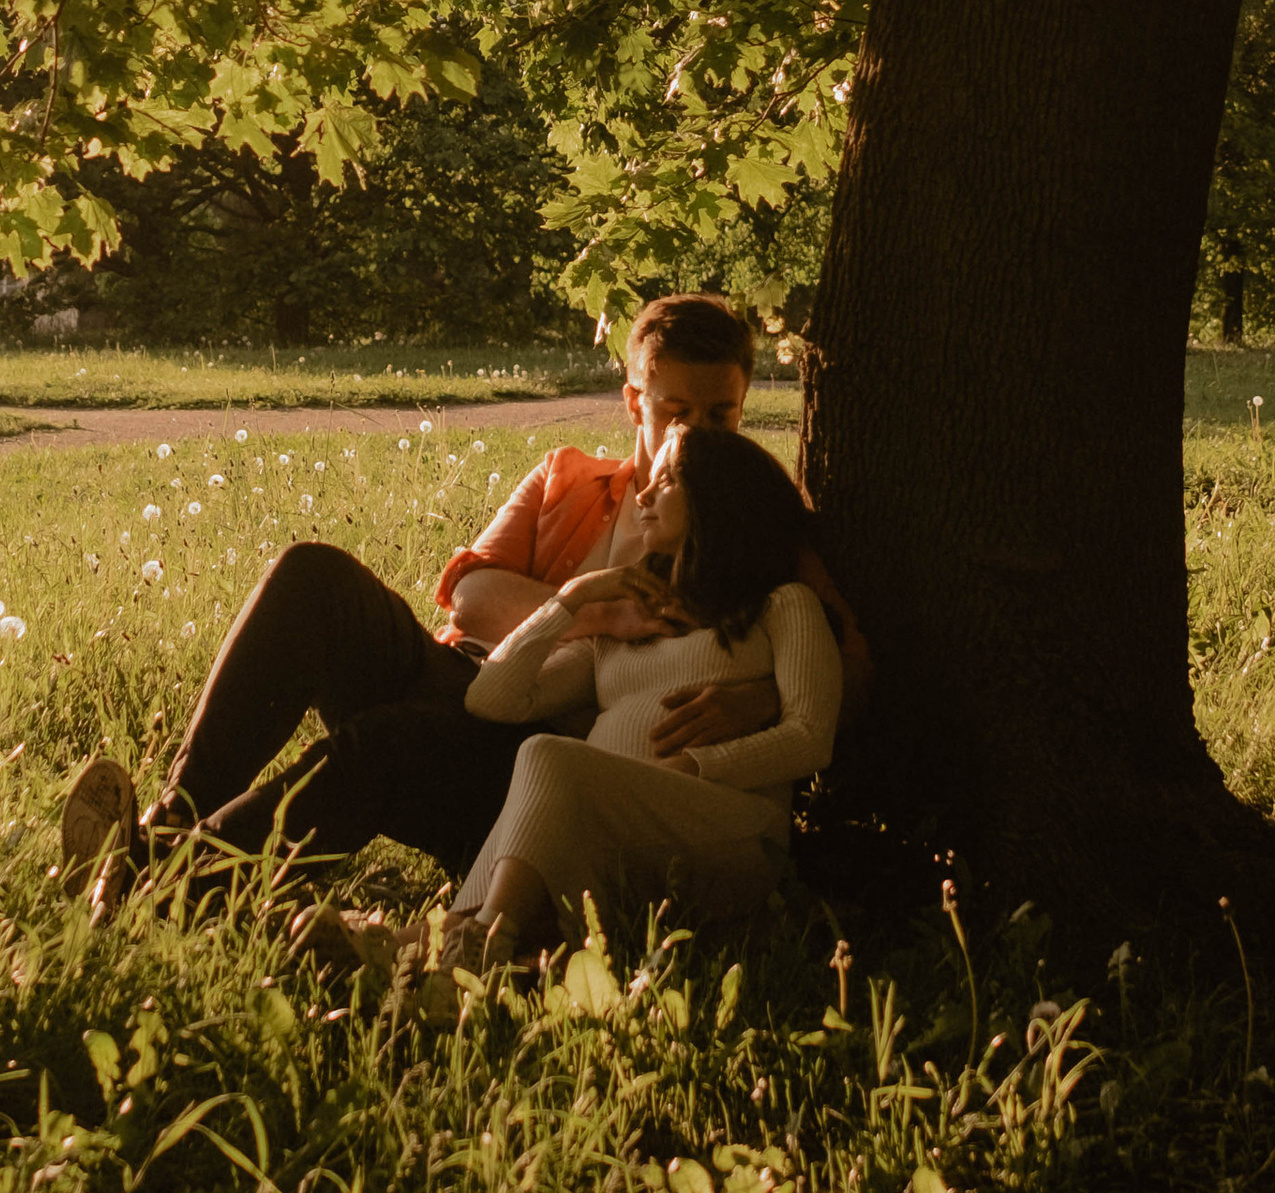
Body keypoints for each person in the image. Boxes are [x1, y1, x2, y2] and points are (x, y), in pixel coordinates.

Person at [56, 292, 867, 907]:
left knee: (392, 739)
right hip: (478, 684)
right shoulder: (568, 479)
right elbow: (472, 593)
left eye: (721, 413)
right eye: (675, 412)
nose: (700, 432)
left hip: (557, 772)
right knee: (314, 576)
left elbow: (841, 659)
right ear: (633, 404)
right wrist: (596, 612)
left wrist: (759, 695)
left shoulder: (758, 519)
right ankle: (170, 820)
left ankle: (164, 886)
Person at [445, 423, 839, 967]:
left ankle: (479, 944)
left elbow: (810, 738)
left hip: (732, 832)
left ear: (716, 498)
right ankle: (444, 947)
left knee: (546, 756)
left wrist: (695, 767)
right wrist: (571, 600)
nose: (646, 496)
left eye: (668, 481)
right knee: (543, 777)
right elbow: (490, 700)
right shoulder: (628, 627)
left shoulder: (780, 606)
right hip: (621, 827)